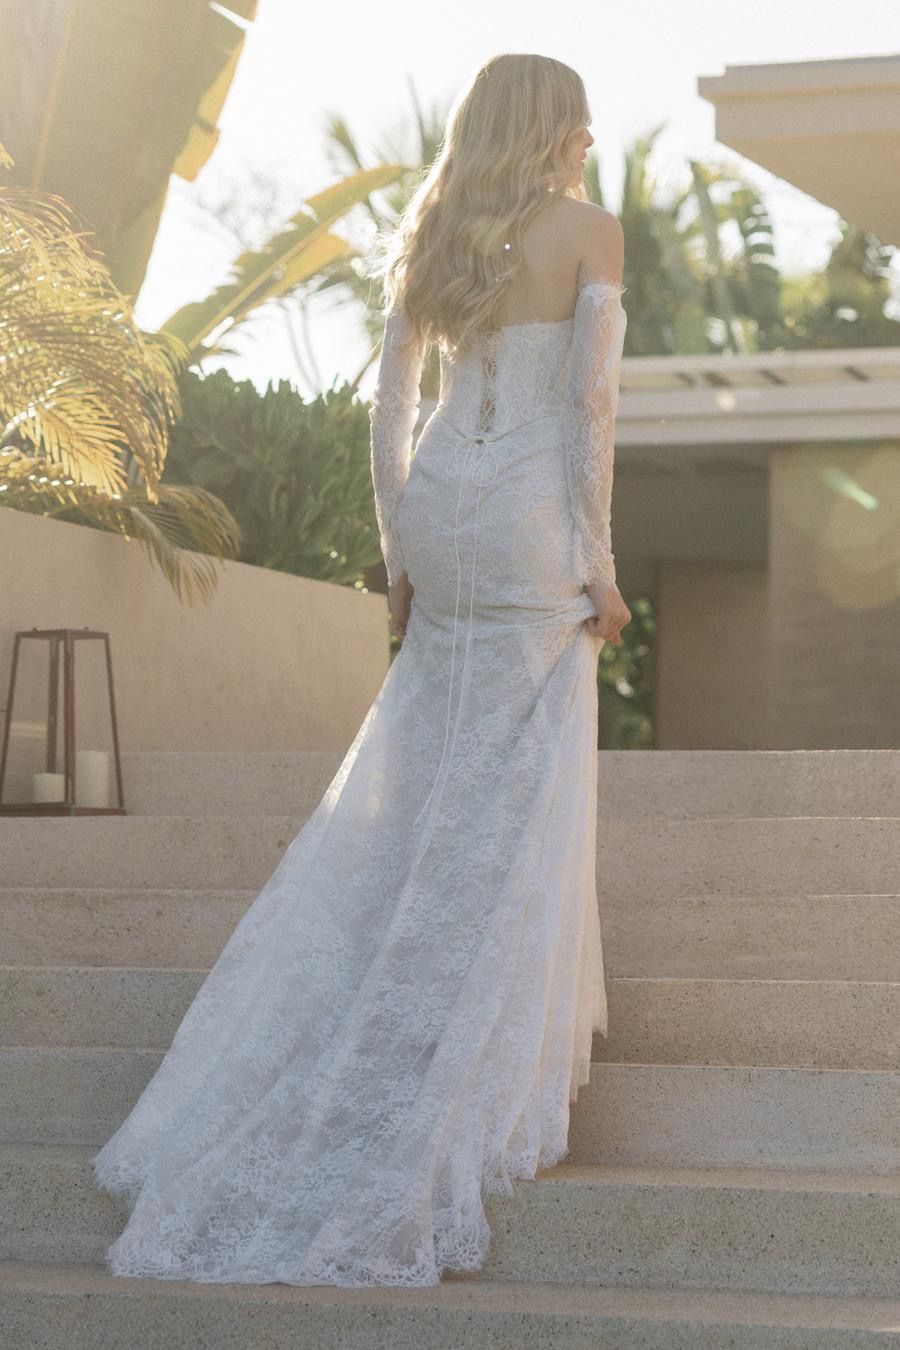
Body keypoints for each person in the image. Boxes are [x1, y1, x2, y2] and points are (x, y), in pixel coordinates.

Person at [89, 51, 631, 1289]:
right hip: (531, 524)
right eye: (581, 121)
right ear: (552, 125)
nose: (591, 140)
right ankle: (467, 1050)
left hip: (441, 512)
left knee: (423, 767)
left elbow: (390, 409)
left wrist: (398, 558)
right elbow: (588, 414)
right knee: (517, 789)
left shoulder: (434, 227)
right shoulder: (590, 231)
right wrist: (599, 567)